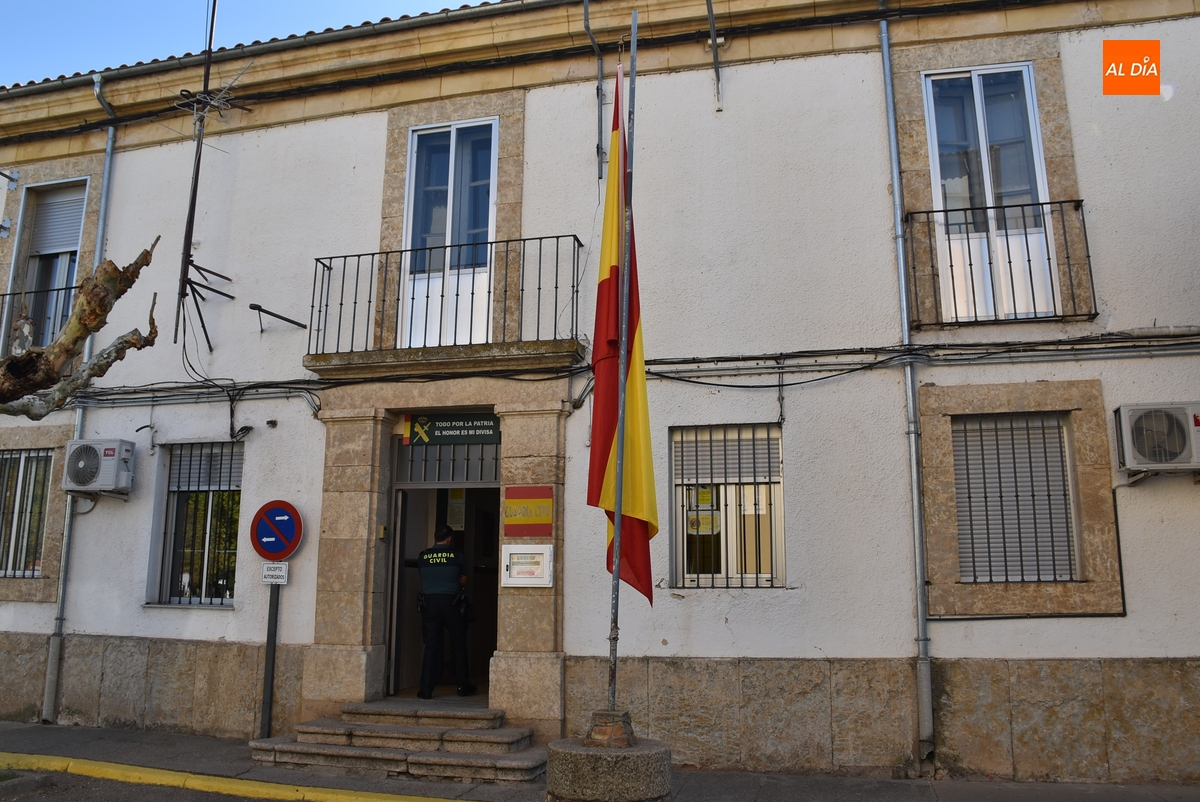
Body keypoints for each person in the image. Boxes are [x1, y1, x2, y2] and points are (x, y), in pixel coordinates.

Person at [416, 524, 476, 699]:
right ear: (449, 539)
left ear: (435, 538)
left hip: (430, 603)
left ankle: (426, 690)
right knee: (458, 644)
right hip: (452, 603)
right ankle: (463, 686)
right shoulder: (457, 556)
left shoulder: (423, 556)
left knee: (431, 646)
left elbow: (424, 577)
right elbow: (463, 580)